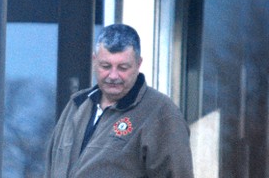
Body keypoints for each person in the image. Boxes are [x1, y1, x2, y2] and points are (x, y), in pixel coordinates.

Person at [44, 24, 194, 177]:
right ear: (94, 60)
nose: (113, 75)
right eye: (106, 66)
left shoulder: (161, 112)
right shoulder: (77, 104)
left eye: (123, 67)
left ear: (138, 64)